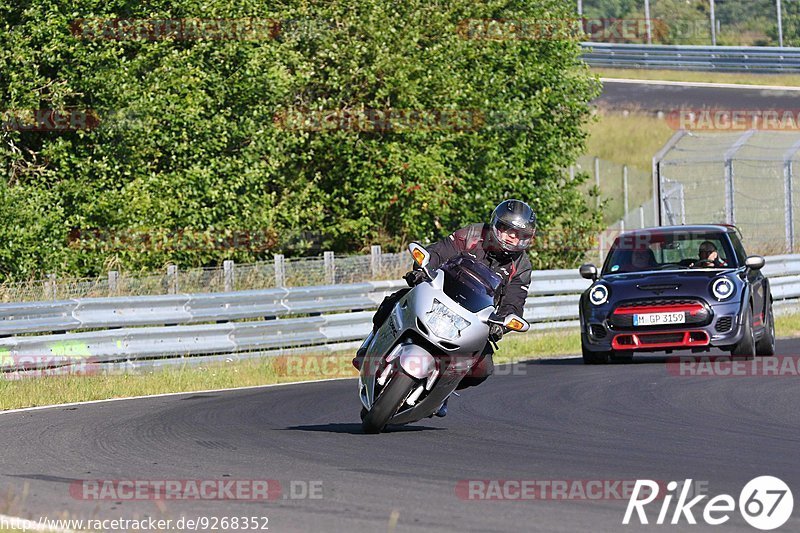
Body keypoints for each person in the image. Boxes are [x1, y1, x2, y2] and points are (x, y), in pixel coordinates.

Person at [353, 199, 536, 416]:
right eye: (509, 232)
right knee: (395, 300)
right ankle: (371, 344)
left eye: (520, 236)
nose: (513, 239)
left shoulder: (522, 266)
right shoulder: (471, 235)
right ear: (497, 227)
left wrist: (501, 324)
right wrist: (422, 271)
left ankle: (442, 392)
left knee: (483, 368)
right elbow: (438, 252)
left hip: (475, 318)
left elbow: (514, 302)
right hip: (439, 296)